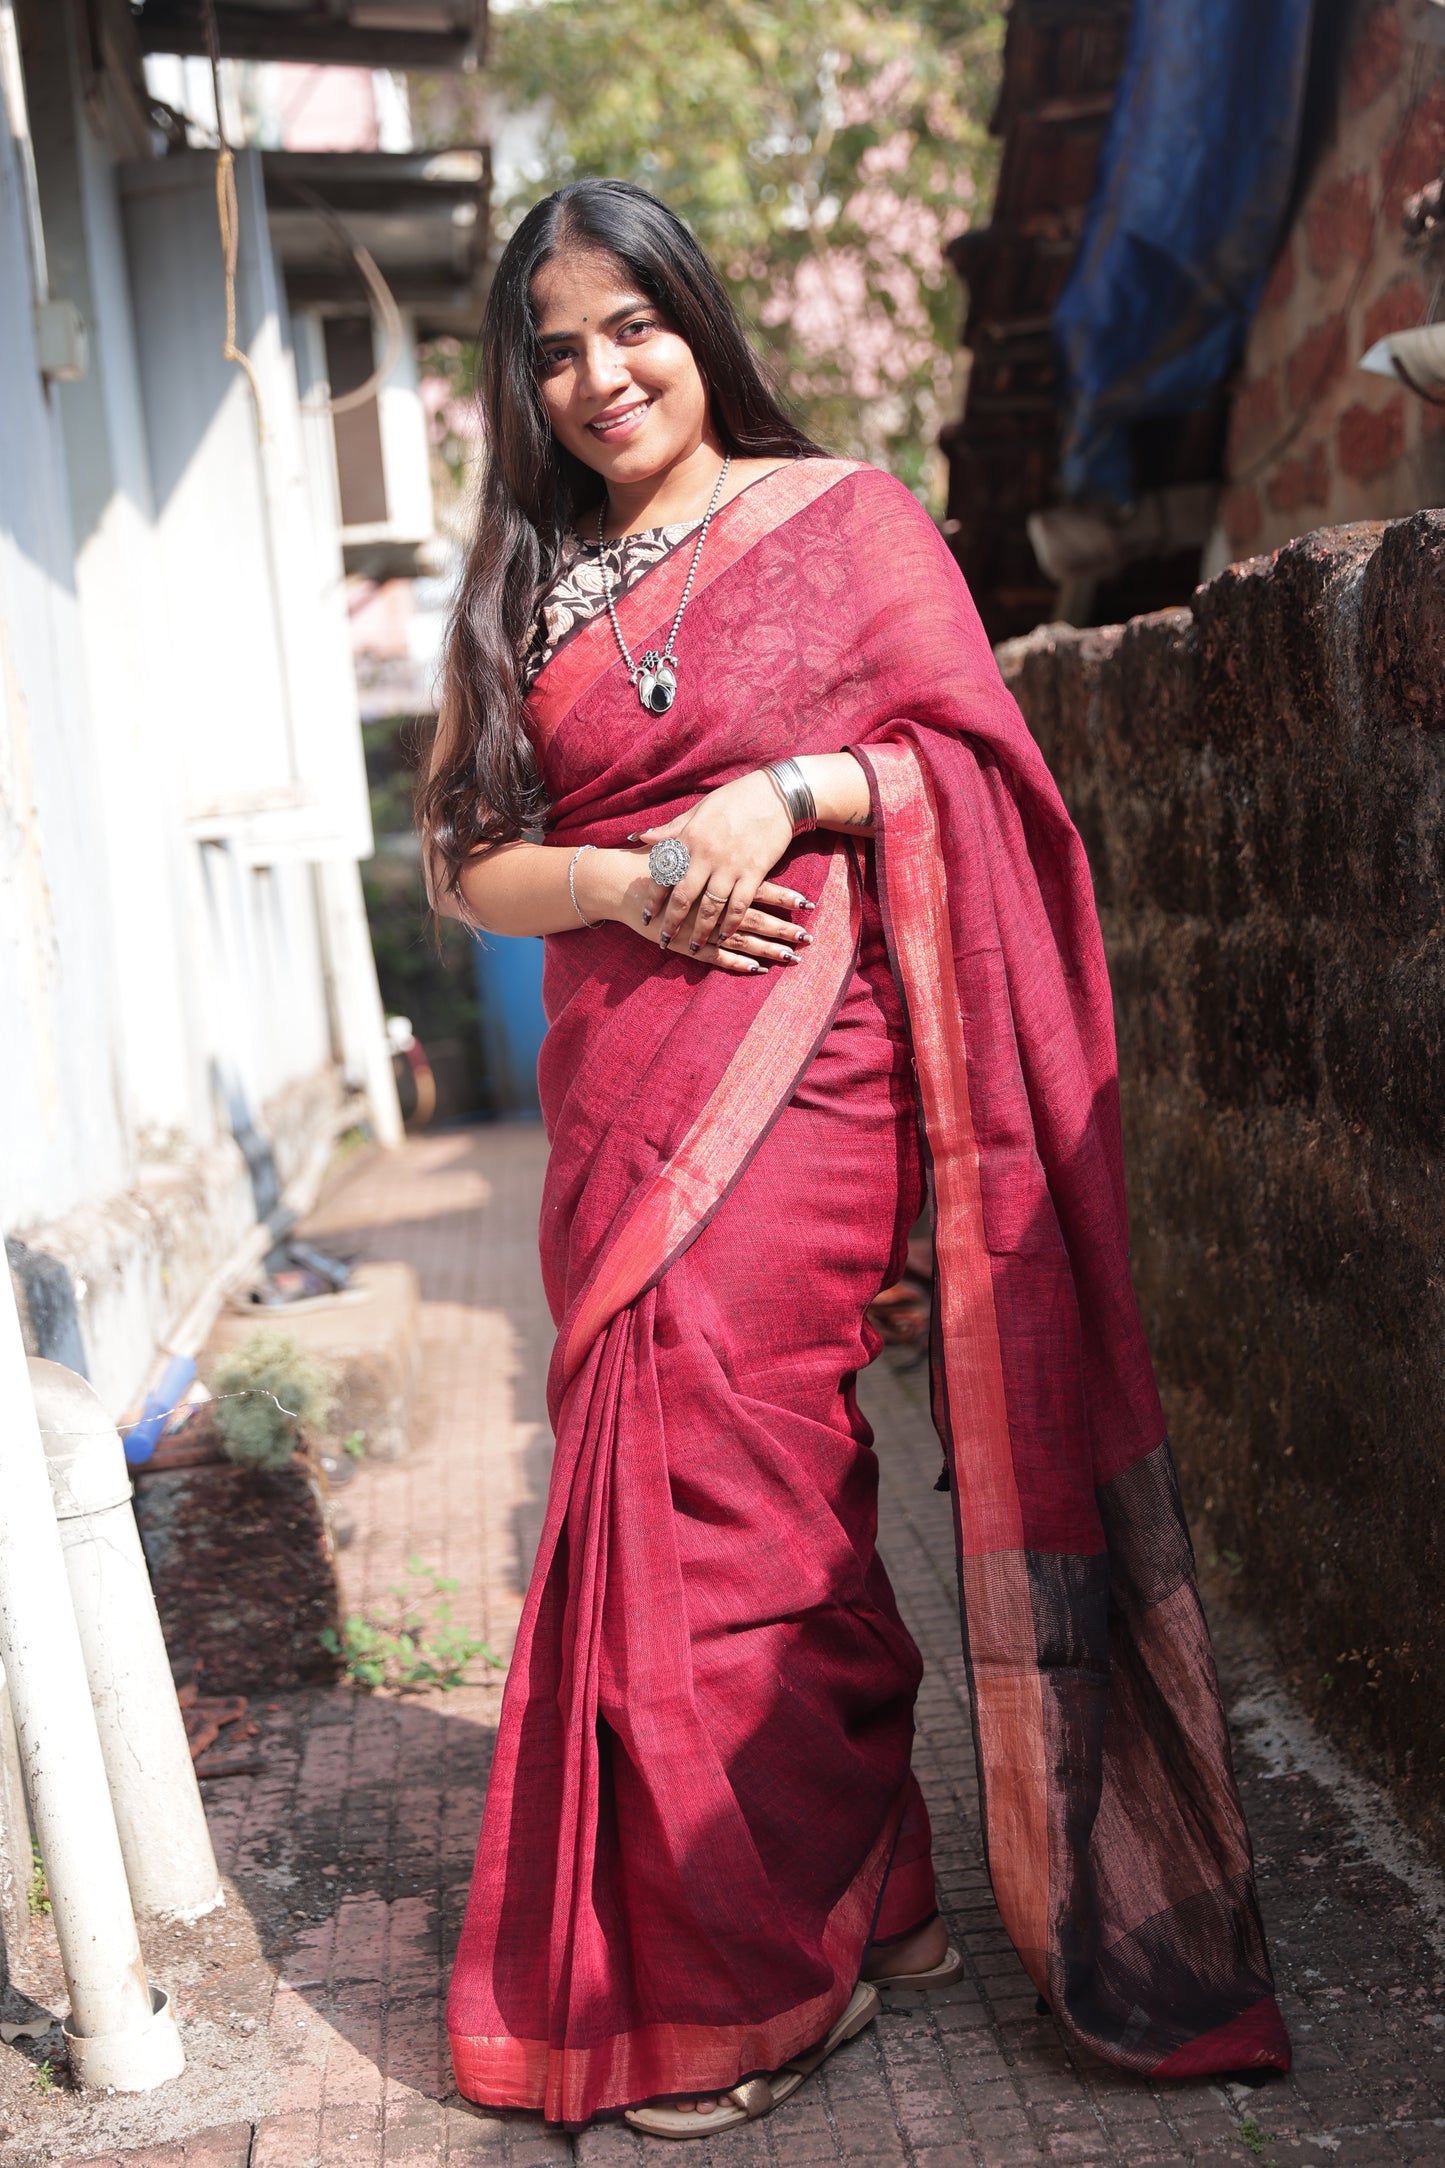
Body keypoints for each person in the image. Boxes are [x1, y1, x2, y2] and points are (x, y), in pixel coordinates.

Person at [427, 179, 1290, 2140]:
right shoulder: (524, 573)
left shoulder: (844, 522)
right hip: (621, 1084)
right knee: (741, 1492)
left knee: (746, 1491)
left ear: (694, 317)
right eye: (553, 347)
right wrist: (639, 881)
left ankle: (758, 1977)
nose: (596, 374)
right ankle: (876, 1894)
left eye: (627, 324)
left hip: (809, 1068)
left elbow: (982, 762)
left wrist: (789, 786)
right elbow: (472, 860)